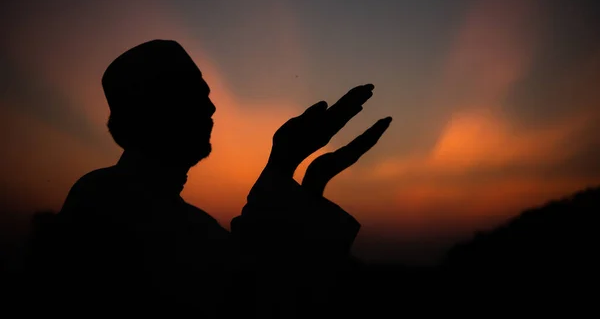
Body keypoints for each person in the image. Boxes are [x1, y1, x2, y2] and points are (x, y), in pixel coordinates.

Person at [33, 40, 392, 316]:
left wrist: (300, 178)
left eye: (206, 94)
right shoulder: (104, 202)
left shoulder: (175, 215)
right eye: (193, 95)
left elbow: (257, 276)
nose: (211, 107)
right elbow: (245, 293)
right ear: (150, 111)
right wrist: (284, 168)